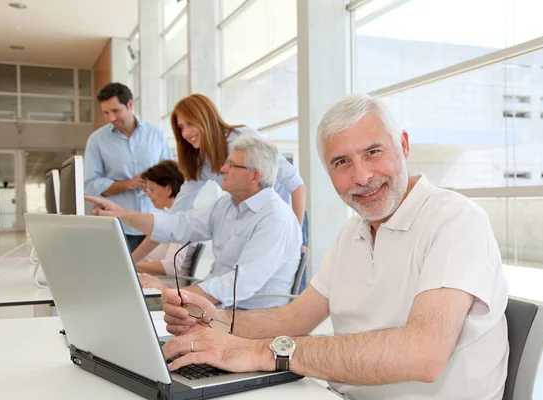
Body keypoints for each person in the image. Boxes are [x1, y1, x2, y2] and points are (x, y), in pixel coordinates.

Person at [156, 94, 509, 400]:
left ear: (403, 145)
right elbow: (294, 318)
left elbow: (424, 354)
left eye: (373, 152)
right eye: (341, 162)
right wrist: (215, 319)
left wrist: (264, 353)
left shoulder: (455, 220)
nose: (361, 176)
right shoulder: (352, 232)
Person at [87, 136, 302, 309]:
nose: (222, 169)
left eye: (231, 165)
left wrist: (175, 294)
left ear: (255, 176)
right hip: (220, 309)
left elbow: (238, 286)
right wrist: (122, 214)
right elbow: (177, 226)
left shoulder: (275, 219)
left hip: (249, 318)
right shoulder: (226, 205)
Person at [131, 94, 308, 275]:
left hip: (289, 220)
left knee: (285, 288)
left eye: (190, 124)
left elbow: (296, 185)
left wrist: (295, 236)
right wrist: (131, 261)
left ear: (205, 117)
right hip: (253, 224)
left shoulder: (242, 139)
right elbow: (170, 221)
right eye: (181, 127)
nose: (185, 133)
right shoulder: (201, 163)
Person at [83, 82, 172, 252]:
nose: (111, 118)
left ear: (130, 105)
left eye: (116, 111)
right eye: (106, 113)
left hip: (154, 224)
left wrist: (156, 183)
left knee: (152, 277)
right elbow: (90, 184)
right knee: (118, 277)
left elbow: (170, 175)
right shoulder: (96, 140)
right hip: (118, 228)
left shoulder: (156, 134)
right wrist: (127, 184)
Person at [135, 160, 198, 287]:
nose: (149, 196)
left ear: (168, 189)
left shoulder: (181, 222)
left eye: (152, 190)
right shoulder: (165, 220)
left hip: (163, 288)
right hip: (147, 282)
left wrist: (131, 265)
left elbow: (171, 266)